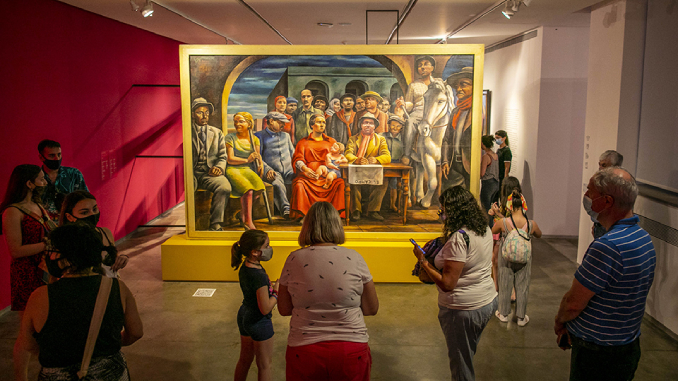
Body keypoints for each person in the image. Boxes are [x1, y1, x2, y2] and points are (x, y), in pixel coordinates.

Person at [555, 167, 655, 381]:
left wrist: (560, 322)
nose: (586, 198)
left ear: (607, 201)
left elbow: (573, 303)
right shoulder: (644, 239)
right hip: (627, 345)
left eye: (590, 192)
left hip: (597, 355)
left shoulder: (607, 247)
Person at [13, 222, 143, 381]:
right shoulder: (117, 287)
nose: (48, 256)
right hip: (111, 372)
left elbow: (28, 344)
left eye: (52, 251)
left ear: (66, 258)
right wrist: (108, 344)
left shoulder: (39, 296)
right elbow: (136, 332)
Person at [278, 202, 379, 381]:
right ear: (337, 225)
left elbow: (284, 309)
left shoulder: (294, 258)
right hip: (350, 348)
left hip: (304, 349)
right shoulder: (355, 258)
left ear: (307, 226)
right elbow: (371, 308)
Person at [413, 186, 497, 381]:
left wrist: (423, 261)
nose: (442, 214)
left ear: (456, 210)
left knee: (461, 364)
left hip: (462, 309)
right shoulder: (483, 228)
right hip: (486, 301)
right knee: (466, 353)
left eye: (444, 210)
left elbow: (448, 284)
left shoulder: (460, 238)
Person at [0, 165, 51, 314]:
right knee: (31, 319)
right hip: (27, 272)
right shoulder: (12, 212)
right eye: (41, 179)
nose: (45, 183)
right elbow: (15, 251)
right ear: (29, 184)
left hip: (44, 266)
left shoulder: (37, 205)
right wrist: (47, 245)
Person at [231, 229, 277, 381]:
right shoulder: (258, 276)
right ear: (255, 252)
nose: (270, 249)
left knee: (244, 361)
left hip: (245, 313)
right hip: (258, 321)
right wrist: (276, 293)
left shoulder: (246, 266)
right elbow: (265, 308)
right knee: (264, 365)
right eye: (267, 246)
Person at [491, 188, 542, 326]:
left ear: (509, 206)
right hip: (524, 259)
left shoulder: (504, 223)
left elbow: (493, 231)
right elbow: (539, 234)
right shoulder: (531, 224)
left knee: (505, 282)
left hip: (506, 257)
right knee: (522, 285)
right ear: (523, 205)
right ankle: (520, 317)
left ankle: (503, 313)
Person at [59, 191, 128, 278]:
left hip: (110, 286)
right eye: (84, 212)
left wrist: (121, 259)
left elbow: (112, 260)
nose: (92, 214)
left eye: (94, 209)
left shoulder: (105, 233)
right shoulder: (65, 240)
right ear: (69, 217)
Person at [290, 114, 345, 220]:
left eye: (323, 122)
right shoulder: (303, 142)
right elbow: (298, 159)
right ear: (311, 125)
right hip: (308, 176)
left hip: (327, 174)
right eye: (319, 122)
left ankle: (335, 215)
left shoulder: (331, 141)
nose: (322, 125)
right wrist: (305, 169)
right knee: (299, 184)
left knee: (340, 183)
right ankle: (304, 215)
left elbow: (338, 157)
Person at [191, 97, 232, 231]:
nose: (204, 116)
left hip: (209, 173)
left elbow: (222, 156)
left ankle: (216, 224)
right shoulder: (187, 131)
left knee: (225, 187)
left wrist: (218, 167)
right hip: (190, 173)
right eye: (200, 112)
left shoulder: (216, 133)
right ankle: (190, 226)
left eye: (207, 112)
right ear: (192, 114)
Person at [345, 112, 392, 221]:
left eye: (371, 123)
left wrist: (376, 160)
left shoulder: (380, 139)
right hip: (358, 170)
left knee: (383, 181)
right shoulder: (353, 138)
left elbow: (387, 156)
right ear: (361, 125)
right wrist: (357, 160)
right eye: (365, 123)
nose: (367, 125)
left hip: (373, 171)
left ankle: (373, 210)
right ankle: (356, 211)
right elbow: (348, 154)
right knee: (352, 181)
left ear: (374, 126)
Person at [395, 55, 439, 165]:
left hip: (436, 112)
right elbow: (410, 103)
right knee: (410, 122)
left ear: (432, 68)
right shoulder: (413, 85)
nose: (422, 67)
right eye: (420, 66)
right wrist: (404, 104)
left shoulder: (439, 83)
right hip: (420, 111)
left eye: (426, 64)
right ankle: (407, 154)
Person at [225, 112, 266, 231]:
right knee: (248, 190)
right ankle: (248, 221)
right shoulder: (230, 138)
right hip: (233, 169)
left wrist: (261, 164)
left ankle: (242, 214)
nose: (237, 124)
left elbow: (258, 156)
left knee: (259, 188)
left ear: (249, 124)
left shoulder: (255, 140)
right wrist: (247, 159)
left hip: (247, 169)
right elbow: (230, 159)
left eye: (241, 121)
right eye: (236, 121)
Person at [255, 112, 295, 219]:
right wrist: (267, 169)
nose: (284, 125)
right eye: (281, 123)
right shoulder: (259, 136)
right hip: (272, 171)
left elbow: (293, 153)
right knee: (277, 183)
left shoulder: (286, 136)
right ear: (271, 121)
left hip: (289, 170)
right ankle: (286, 210)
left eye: (284, 123)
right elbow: (258, 157)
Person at [37, 139, 88, 222]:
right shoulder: (36, 178)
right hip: (45, 227)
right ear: (41, 157)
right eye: (51, 155)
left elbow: (85, 200)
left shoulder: (74, 174)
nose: (56, 158)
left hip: (71, 225)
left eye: (59, 154)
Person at [441, 67, 474, 190]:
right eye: (457, 86)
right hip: (454, 165)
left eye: (463, 85)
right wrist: (445, 160)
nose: (458, 89)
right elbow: (446, 139)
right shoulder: (456, 111)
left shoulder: (478, 112)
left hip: (470, 166)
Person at [591, 150, 624, 239]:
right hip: (600, 227)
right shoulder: (602, 181)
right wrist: (596, 223)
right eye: (600, 164)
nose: (600, 168)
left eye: (604, 165)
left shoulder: (622, 184)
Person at [381, 115, 406, 212]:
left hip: (397, 164)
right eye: (392, 125)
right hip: (384, 163)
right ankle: (381, 206)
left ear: (401, 128)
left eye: (398, 126)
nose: (395, 128)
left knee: (395, 184)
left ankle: (393, 205)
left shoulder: (403, 139)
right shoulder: (382, 136)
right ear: (388, 126)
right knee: (382, 183)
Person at [479, 135, 499, 219]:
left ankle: (488, 226)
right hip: (495, 183)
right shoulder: (495, 155)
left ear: (483, 144)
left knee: (486, 207)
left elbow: (482, 173)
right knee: (493, 207)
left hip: (487, 184)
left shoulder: (486, 157)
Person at [494, 130, 512, 199]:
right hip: (497, 176)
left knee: (502, 197)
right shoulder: (499, 149)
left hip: (502, 177)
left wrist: (505, 179)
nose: (496, 140)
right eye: (496, 138)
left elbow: (507, 167)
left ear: (504, 138)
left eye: (498, 138)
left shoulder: (506, 151)